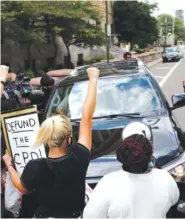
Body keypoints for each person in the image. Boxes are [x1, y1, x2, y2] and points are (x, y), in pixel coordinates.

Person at [3, 67, 100, 218]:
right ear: (69, 138)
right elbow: (86, 117)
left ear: (46, 138)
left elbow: (23, 189)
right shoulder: (80, 157)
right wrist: (93, 79)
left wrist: (9, 164)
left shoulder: (34, 167)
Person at [83, 123, 179, 218]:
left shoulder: (108, 182)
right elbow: (174, 199)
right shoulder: (165, 178)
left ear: (123, 157)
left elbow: (90, 216)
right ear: (150, 156)